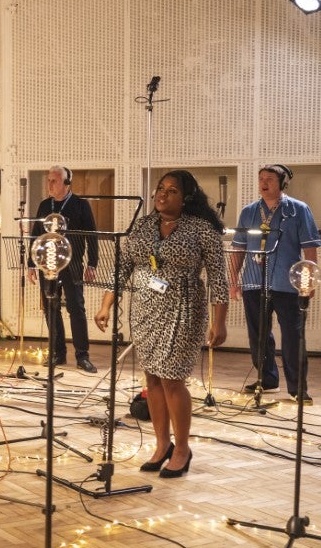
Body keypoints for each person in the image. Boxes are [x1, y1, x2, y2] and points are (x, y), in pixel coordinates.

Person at [94, 170, 227, 478]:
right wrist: (105, 305)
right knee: (152, 379)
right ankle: (162, 443)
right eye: (160, 189)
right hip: (144, 308)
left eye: (171, 191)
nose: (162, 194)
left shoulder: (202, 229)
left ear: (186, 198)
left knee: (172, 379)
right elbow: (122, 268)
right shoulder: (143, 225)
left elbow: (219, 279)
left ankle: (182, 448)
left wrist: (219, 322)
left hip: (183, 310)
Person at [229, 165, 321, 404]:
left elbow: (309, 248)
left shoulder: (298, 210)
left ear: (283, 183)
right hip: (253, 282)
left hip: (286, 283)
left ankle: (298, 387)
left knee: (293, 336)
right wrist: (233, 281)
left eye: (269, 179)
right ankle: (267, 378)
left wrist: (308, 281)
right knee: (258, 335)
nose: (264, 183)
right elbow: (238, 248)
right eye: (261, 179)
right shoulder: (249, 211)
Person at [27, 166, 99, 373]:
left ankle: (82, 355)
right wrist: (31, 264)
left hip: (73, 263)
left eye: (54, 181)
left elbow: (91, 235)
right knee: (50, 307)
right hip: (47, 264)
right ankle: (57, 352)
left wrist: (92, 263)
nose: (49, 184)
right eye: (48, 180)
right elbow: (35, 235)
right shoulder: (44, 205)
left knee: (76, 307)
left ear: (67, 183)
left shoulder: (80, 205)